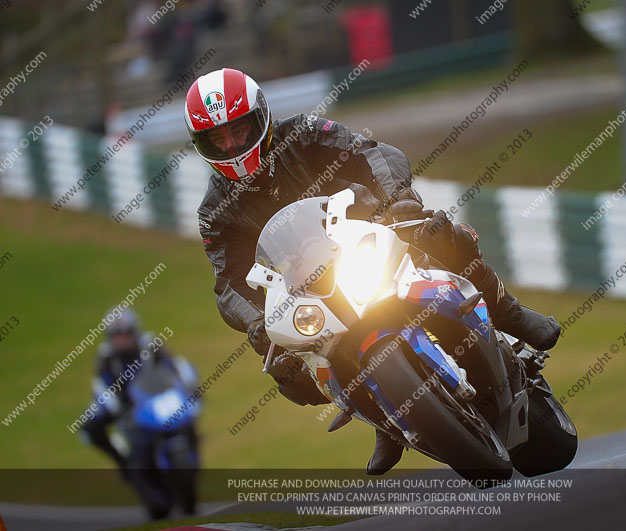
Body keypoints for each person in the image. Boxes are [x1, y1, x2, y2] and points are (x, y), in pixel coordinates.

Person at [186, 68, 561, 475]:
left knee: (443, 235)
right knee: (289, 374)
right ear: (202, 145)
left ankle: (508, 312)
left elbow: (372, 153)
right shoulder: (215, 211)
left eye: (238, 131)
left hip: (370, 235)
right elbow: (229, 283)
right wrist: (258, 322)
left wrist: (400, 199)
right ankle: (388, 419)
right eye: (217, 139)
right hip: (307, 291)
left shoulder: (306, 132)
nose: (232, 144)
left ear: (261, 120)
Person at [78, 309, 199, 519]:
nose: (122, 339)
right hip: (131, 414)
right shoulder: (107, 359)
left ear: (134, 331)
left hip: (160, 403)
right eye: (117, 335)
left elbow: (175, 368)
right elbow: (103, 387)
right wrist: (117, 408)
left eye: (126, 333)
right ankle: (128, 469)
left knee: (189, 426)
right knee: (95, 430)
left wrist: (188, 391)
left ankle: (188, 492)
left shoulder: (151, 346)